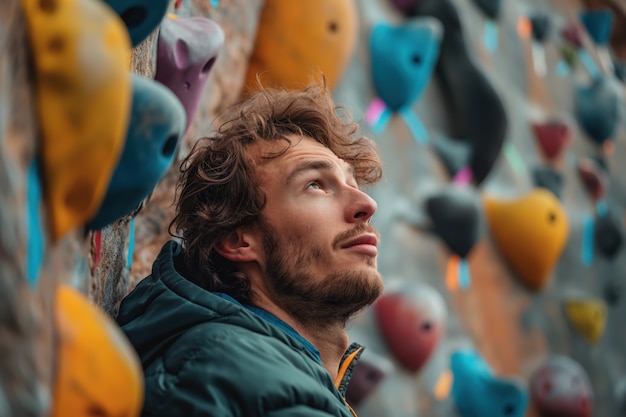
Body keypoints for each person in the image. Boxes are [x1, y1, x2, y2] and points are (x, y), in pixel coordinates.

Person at [116, 82, 385, 416]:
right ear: (237, 240)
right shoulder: (229, 374)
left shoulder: (269, 379)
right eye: (315, 185)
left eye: (353, 184)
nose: (366, 204)